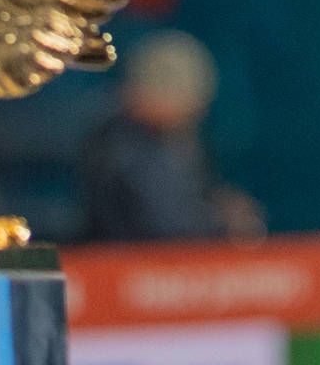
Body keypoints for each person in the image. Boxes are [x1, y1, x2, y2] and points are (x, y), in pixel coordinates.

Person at [75, 33, 261, 244]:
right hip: (123, 256)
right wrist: (221, 221)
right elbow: (165, 224)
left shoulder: (180, 138)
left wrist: (219, 206)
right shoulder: (119, 143)